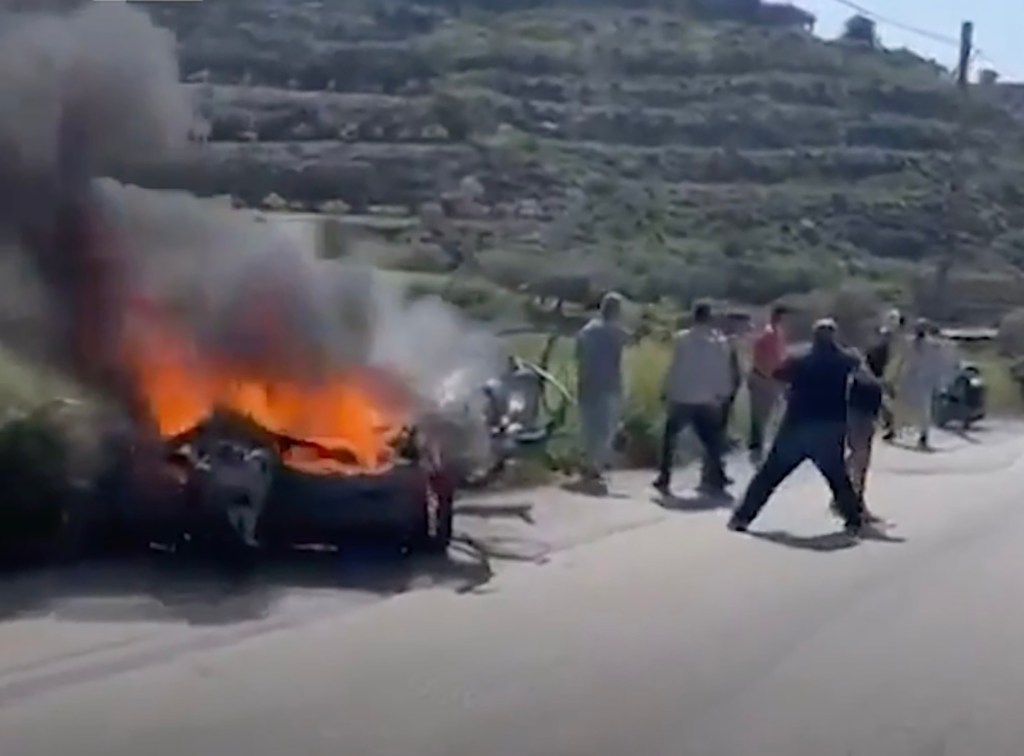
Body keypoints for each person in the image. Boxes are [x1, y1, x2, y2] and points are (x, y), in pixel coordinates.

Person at [728, 319, 877, 536]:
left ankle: (742, 518)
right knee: (837, 477)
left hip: (797, 423)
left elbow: (777, 375)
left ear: (814, 337)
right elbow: (867, 380)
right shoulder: (847, 359)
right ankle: (853, 520)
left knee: (769, 475)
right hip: (830, 424)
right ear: (834, 336)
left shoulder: (799, 359)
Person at [653, 301, 733, 497]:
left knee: (670, 437)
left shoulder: (681, 339)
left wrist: (667, 390)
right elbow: (722, 371)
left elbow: (674, 367)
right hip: (706, 398)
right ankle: (717, 475)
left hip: (683, 396)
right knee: (712, 440)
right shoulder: (719, 342)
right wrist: (723, 393)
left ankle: (665, 476)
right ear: (709, 318)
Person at [575, 292, 629, 487]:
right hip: (609, 385)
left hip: (587, 384)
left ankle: (591, 464)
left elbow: (578, 353)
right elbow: (629, 343)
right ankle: (595, 466)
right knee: (607, 429)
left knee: (590, 428)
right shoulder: (616, 332)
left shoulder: (587, 330)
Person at [747, 304, 790, 462]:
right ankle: (758, 449)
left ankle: (760, 446)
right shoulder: (768, 334)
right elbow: (758, 355)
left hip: (772, 378)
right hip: (764, 378)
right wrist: (767, 375)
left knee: (770, 414)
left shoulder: (778, 333)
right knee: (762, 415)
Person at [897, 318, 946, 450]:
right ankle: (897, 429)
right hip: (911, 378)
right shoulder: (910, 343)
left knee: (924, 409)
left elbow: (938, 359)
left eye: (921, 329)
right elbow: (903, 357)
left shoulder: (931, 345)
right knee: (902, 404)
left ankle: (923, 435)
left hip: (924, 379)